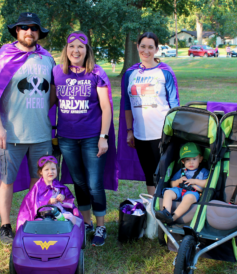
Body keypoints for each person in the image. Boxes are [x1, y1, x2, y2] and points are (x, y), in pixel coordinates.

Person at [0, 12, 57, 245]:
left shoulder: (47, 59)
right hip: (11, 134)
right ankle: (6, 225)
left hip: (41, 134)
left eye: (34, 28)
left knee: (37, 180)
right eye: (24, 27)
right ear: (17, 31)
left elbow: (54, 94)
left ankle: (32, 218)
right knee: (6, 179)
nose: (29, 32)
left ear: (39, 33)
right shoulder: (3, 57)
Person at [52, 31, 118, 246]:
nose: (76, 51)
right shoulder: (57, 72)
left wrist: (103, 137)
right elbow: (50, 101)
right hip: (67, 138)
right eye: (72, 46)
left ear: (87, 50)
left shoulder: (96, 73)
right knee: (79, 182)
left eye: (81, 47)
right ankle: (86, 222)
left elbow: (106, 107)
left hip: (91, 137)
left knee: (94, 183)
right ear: (66, 50)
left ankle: (101, 226)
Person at [117, 32, 179, 195]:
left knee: (164, 174)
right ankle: (153, 212)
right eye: (143, 46)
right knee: (149, 175)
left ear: (157, 49)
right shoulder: (130, 74)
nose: (146, 50)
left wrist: (173, 132)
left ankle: (165, 209)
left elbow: (174, 104)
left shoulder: (165, 72)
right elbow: (127, 104)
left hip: (162, 133)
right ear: (137, 47)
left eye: (150, 47)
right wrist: (130, 131)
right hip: (140, 135)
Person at [16, 155, 81, 230]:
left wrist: (62, 197)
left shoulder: (58, 185)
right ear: (41, 172)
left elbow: (67, 199)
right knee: (40, 223)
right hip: (44, 215)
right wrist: (48, 201)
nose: (50, 172)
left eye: (53, 169)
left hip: (59, 212)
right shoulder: (38, 187)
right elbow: (34, 203)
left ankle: (68, 235)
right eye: (46, 170)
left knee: (70, 218)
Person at [155, 143, 209, 223]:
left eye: (194, 159)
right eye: (188, 159)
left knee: (189, 198)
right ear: (183, 161)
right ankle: (166, 212)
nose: (191, 162)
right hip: (179, 189)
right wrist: (178, 181)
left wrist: (194, 181)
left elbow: (207, 183)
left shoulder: (203, 171)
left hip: (193, 192)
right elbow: (171, 184)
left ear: (200, 159)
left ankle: (173, 217)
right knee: (168, 192)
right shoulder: (182, 171)